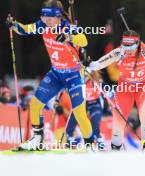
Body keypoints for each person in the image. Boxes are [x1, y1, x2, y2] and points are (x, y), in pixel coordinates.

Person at [6, 0, 93, 150]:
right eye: (44, 16)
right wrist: (14, 25)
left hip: (73, 75)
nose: (46, 20)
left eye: (50, 17)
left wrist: (68, 38)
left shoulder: (67, 27)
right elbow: (25, 29)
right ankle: (37, 140)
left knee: (79, 113)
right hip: (56, 74)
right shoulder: (42, 25)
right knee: (35, 105)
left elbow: (84, 40)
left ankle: (90, 145)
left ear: (58, 16)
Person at [86, 28, 145, 150]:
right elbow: (97, 64)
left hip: (143, 87)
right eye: (125, 46)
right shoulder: (118, 53)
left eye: (131, 47)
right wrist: (86, 63)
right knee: (119, 119)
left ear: (137, 44)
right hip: (125, 88)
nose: (127, 50)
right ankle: (115, 149)